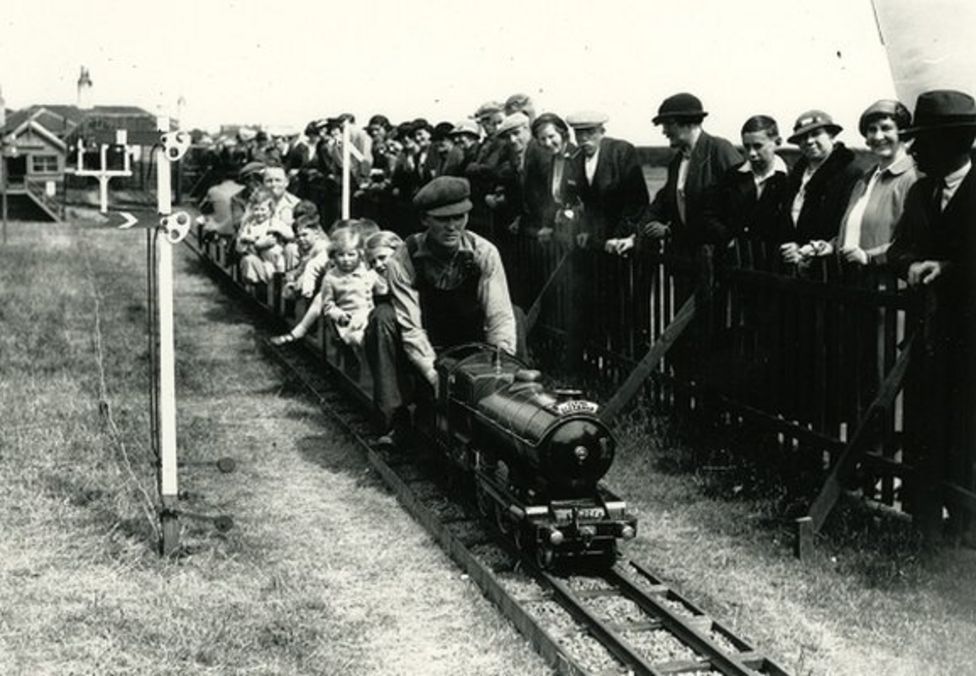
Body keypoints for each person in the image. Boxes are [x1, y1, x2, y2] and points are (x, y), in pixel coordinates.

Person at [886, 89, 976, 539]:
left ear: (959, 143)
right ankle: (923, 523)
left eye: (928, 142)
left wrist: (948, 268)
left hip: (970, 338)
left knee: (968, 430)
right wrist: (910, 265)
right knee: (926, 426)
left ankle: (966, 528)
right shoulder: (921, 192)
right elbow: (898, 249)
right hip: (929, 337)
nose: (917, 151)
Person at [365, 176, 518, 436]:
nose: (452, 227)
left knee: (517, 316)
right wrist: (434, 375)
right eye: (443, 220)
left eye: (459, 217)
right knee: (382, 318)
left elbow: (499, 316)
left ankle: (509, 410)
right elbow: (410, 326)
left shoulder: (484, 253)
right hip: (425, 338)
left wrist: (498, 372)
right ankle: (394, 420)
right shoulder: (403, 259)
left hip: (469, 333)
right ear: (425, 220)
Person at [619, 93, 741, 256]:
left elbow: (741, 199)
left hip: (719, 255)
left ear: (688, 123)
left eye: (669, 124)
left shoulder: (719, 150)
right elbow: (661, 203)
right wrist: (634, 237)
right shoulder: (677, 161)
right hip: (685, 255)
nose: (664, 131)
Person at [807, 100, 918, 266]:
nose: (878, 136)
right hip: (857, 281)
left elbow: (915, 242)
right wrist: (831, 246)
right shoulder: (866, 178)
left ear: (902, 133)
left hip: (890, 284)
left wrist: (870, 257)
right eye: (872, 130)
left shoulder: (913, 177)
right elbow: (857, 230)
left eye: (886, 128)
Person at [779, 110, 863, 264]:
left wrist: (807, 249)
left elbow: (844, 225)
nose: (809, 141)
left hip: (830, 265)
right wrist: (793, 246)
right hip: (795, 264)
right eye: (803, 137)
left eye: (816, 134)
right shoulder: (795, 175)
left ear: (831, 135)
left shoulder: (850, 174)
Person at [564, 111, 649, 250]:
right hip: (597, 241)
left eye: (590, 132)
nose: (584, 138)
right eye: (579, 133)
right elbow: (587, 203)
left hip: (624, 241)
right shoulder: (577, 158)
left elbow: (637, 201)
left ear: (602, 132)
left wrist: (621, 235)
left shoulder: (621, 152)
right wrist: (586, 231)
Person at [703, 115, 791, 243]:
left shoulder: (791, 179)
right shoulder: (732, 176)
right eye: (747, 147)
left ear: (777, 143)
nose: (751, 154)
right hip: (738, 258)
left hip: (775, 258)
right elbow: (709, 213)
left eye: (758, 146)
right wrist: (727, 238)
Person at [524, 112, 579, 241]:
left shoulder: (577, 158)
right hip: (560, 230)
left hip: (578, 231)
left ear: (563, 133)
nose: (547, 143)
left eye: (551, 136)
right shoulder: (553, 160)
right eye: (542, 139)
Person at [236, 188, 286, 284]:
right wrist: (249, 240)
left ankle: (275, 283)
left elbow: (287, 236)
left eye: (263, 209)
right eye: (256, 209)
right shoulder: (250, 224)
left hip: (274, 259)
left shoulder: (274, 222)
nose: (259, 213)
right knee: (248, 260)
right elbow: (240, 246)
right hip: (257, 259)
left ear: (271, 210)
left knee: (273, 264)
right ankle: (258, 285)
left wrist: (279, 231)